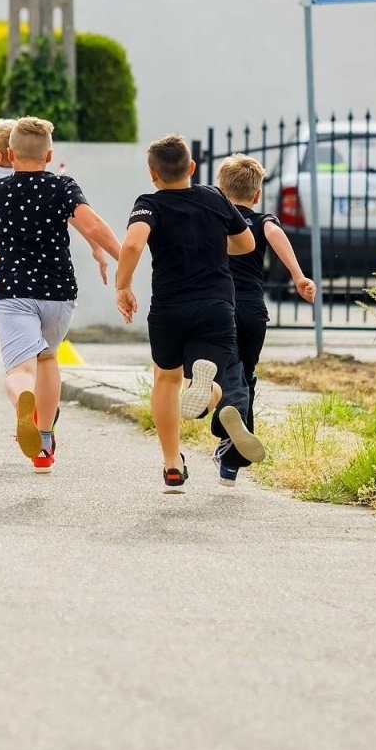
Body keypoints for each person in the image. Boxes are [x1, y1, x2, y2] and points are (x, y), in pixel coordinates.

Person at [0, 116, 123, 474]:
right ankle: (45, 444)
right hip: (59, 293)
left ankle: (24, 399)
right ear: (49, 156)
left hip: (12, 291)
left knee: (20, 370)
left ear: (9, 154)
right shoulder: (63, 187)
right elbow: (93, 225)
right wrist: (124, 263)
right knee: (48, 359)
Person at [115, 134, 263, 493]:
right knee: (210, 376)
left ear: (152, 173)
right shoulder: (214, 198)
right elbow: (246, 243)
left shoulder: (148, 204)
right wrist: (214, 245)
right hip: (215, 306)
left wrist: (123, 286)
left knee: (166, 380)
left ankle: (172, 465)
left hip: (169, 309)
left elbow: (133, 244)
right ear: (192, 167)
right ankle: (209, 394)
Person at [214, 154, 316, 482]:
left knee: (226, 376)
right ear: (257, 195)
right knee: (246, 375)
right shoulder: (263, 221)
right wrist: (299, 276)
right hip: (253, 312)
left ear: (221, 190)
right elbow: (275, 235)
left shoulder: (216, 219)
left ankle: (227, 420)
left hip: (221, 308)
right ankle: (231, 462)